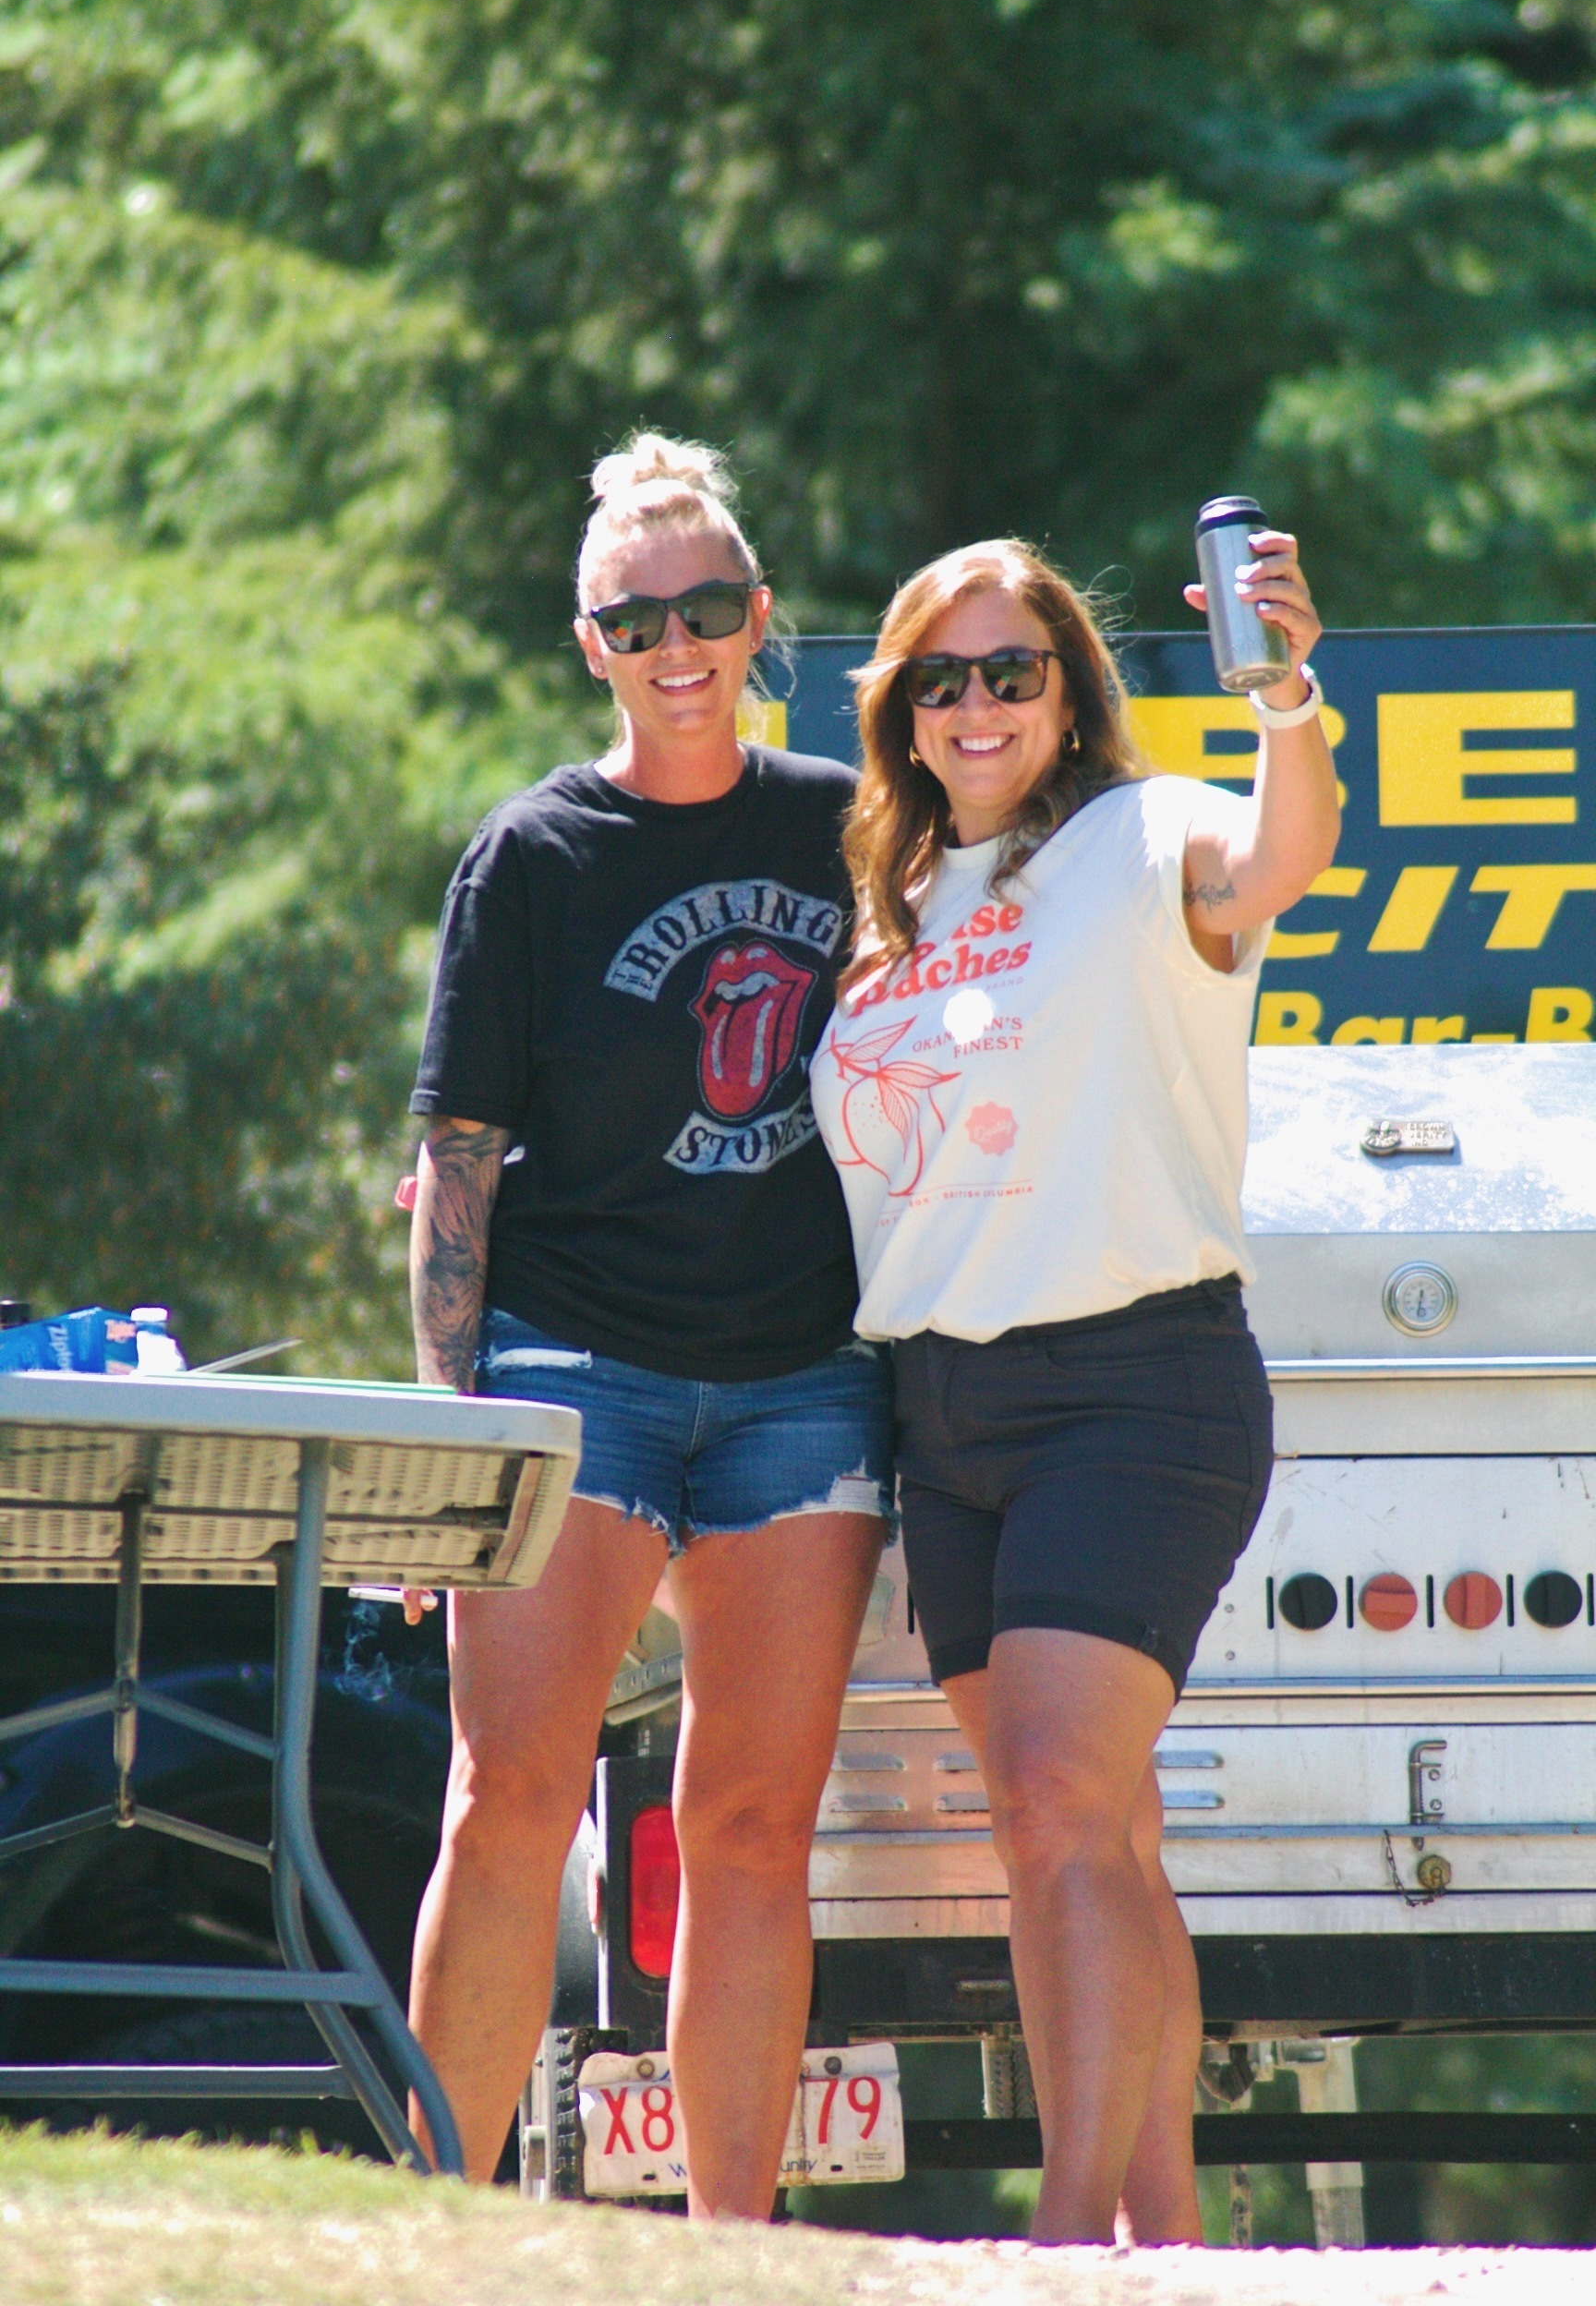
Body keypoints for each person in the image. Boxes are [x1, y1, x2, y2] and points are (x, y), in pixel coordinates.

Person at [810, 530, 1336, 2243]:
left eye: (1012, 672)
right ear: (899, 710)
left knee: (1051, 1812)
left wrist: (1286, 698)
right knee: (1091, 1831)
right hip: (944, 1411)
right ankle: (1167, 2246)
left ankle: (1063, 2244)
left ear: (1068, 691)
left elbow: (1280, 856)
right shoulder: (887, 910)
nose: (977, 705)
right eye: (940, 679)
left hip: (1134, 1385)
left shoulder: (1141, 835)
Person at [404, 433, 894, 2212]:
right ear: (590, 644)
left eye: (705, 608)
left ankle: (725, 2253)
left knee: (755, 1829)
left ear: (760, 620)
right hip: (572, 1366)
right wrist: (445, 1430)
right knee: (509, 1797)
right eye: (635, 620)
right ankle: (440, 2229)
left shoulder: (853, 822)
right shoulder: (531, 854)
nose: (674, 644)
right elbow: (457, 1158)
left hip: (803, 1382)